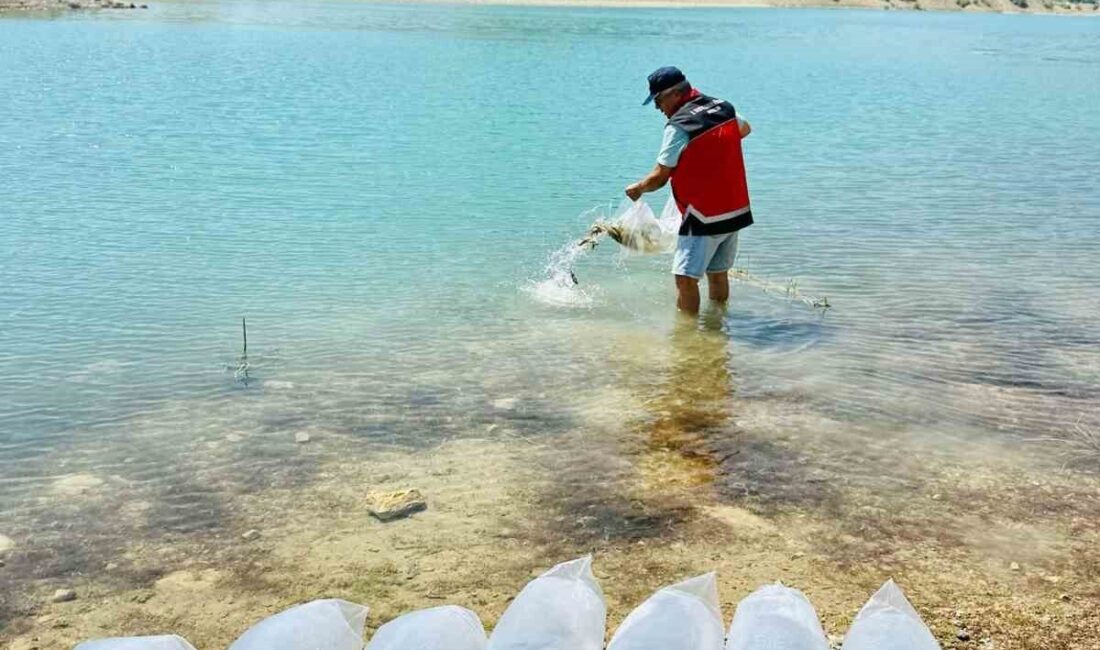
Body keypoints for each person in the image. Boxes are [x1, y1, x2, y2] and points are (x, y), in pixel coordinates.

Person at [625, 66, 753, 314]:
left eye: (658, 100)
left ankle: (687, 337)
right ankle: (717, 325)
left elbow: (660, 177)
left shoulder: (679, 125)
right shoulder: (722, 107)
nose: (658, 108)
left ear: (674, 94)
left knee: (685, 279)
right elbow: (744, 129)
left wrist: (638, 188)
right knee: (717, 274)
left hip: (704, 215)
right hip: (735, 208)